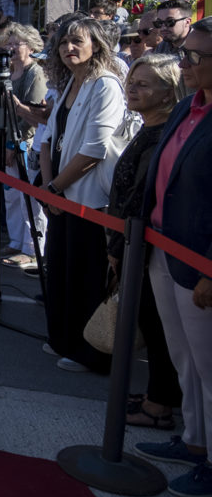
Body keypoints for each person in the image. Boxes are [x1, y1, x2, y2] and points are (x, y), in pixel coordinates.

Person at [134, 18, 212, 497]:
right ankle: (195, 442)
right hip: (163, 250)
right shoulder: (186, 109)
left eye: (196, 58)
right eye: (186, 53)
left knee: (210, 367)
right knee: (186, 360)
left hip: (198, 263)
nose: (185, 63)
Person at [38, 13, 127, 373]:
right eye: (63, 42)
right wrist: (49, 189)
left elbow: (95, 148)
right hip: (59, 196)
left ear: (96, 46)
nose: (69, 48)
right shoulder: (68, 85)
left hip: (88, 198)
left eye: (77, 41)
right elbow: (46, 141)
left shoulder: (105, 85)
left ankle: (90, 352)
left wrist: (57, 187)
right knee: (60, 270)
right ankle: (63, 338)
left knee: (87, 275)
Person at [102, 54, 183, 430]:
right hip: (134, 245)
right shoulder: (148, 128)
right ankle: (157, 395)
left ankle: (159, 404)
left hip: (145, 249)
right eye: (132, 81)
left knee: (158, 329)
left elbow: (140, 197)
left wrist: (119, 250)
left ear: (168, 94)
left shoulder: (163, 136)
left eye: (144, 84)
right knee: (153, 325)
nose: (132, 89)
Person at [0, 24, 49, 267]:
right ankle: (16, 240)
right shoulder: (7, 72)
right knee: (12, 196)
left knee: (29, 199)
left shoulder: (35, 73)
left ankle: (32, 248)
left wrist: (15, 146)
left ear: (32, 47)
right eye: (9, 43)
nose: (12, 48)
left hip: (24, 144)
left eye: (18, 43)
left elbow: (33, 115)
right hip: (5, 139)